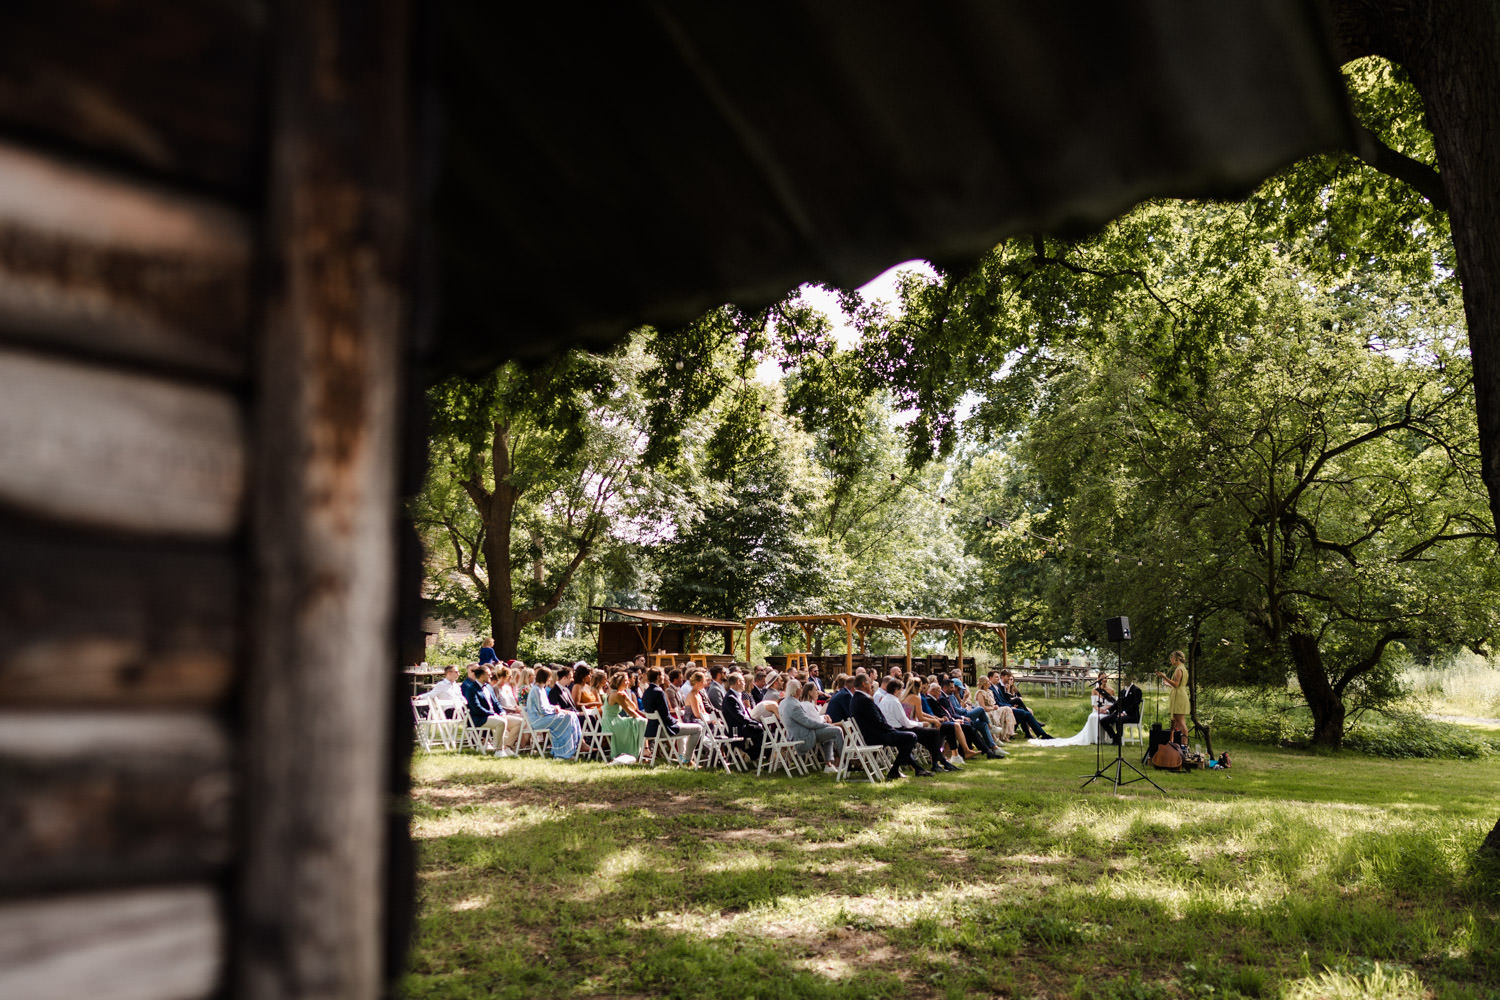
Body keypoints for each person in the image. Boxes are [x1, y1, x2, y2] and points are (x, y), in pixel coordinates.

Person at [849, 674, 929, 779]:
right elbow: (878, 721)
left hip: (873, 733)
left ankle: (915, 768)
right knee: (911, 737)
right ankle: (895, 770)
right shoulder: (864, 700)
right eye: (870, 683)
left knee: (904, 739)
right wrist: (891, 730)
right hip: (876, 736)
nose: (872, 686)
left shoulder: (857, 698)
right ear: (864, 684)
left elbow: (876, 720)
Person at [877, 678, 957, 772]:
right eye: (900, 689)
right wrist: (922, 724)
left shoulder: (886, 699)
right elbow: (906, 722)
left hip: (895, 728)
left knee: (930, 738)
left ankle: (939, 763)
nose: (901, 691)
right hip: (899, 729)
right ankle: (938, 763)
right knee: (934, 733)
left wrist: (931, 720)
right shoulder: (895, 701)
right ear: (895, 690)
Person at [640, 667, 703, 765]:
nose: (664, 677)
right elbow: (665, 715)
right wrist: (676, 722)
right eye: (662, 674)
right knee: (698, 728)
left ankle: (682, 756)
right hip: (664, 730)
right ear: (658, 677)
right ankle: (687, 759)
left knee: (683, 731)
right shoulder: (658, 691)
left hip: (653, 729)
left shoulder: (647, 691)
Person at [779, 681, 844, 774]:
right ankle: (844, 761)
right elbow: (808, 723)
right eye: (801, 688)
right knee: (837, 730)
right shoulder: (794, 705)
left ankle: (828, 765)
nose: (802, 690)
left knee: (830, 733)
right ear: (797, 690)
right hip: (804, 735)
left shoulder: (784, 702)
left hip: (796, 733)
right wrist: (826, 725)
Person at [524, 665, 581, 759]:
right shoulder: (536, 690)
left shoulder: (541, 689)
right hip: (537, 720)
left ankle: (571, 748)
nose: (551, 679)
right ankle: (563, 752)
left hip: (543, 717)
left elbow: (546, 706)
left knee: (572, 715)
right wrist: (555, 709)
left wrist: (554, 707)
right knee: (568, 718)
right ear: (545, 677)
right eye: (549, 677)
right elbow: (542, 709)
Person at [992, 670, 1054, 739]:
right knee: (1026, 713)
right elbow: (997, 702)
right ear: (990, 678)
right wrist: (1010, 706)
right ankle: (1041, 734)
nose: (998, 679)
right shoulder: (993, 688)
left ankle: (1040, 734)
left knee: (1024, 711)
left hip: (1007, 706)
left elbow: (1005, 699)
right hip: (1003, 709)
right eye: (996, 677)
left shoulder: (997, 687)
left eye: (998, 677)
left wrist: (1010, 703)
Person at [602, 670, 648, 762]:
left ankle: (640, 751)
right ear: (619, 682)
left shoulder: (619, 693)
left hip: (615, 719)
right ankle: (640, 752)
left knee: (639, 722)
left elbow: (634, 707)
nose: (628, 682)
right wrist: (642, 718)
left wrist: (626, 696)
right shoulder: (616, 694)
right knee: (642, 721)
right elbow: (630, 711)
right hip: (611, 722)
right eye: (625, 680)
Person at [719, 672, 765, 760]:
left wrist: (755, 722)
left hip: (743, 726)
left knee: (763, 728)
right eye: (743, 681)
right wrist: (755, 723)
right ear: (738, 682)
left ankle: (752, 754)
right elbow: (739, 717)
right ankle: (752, 755)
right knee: (760, 731)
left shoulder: (737, 696)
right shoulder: (730, 698)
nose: (745, 683)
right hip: (737, 729)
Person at [1100, 672, 1144, 745]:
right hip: (1119, 713)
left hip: (1132, 715)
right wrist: (1108, 711)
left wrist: (1124, 713)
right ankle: (1115, 737)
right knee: (1103, 721)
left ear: (1131, 680)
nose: (1124, 681)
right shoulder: (1122, 691)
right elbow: (1117, 703)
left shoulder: (1136, 690)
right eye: (1123, 680)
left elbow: (1135, 705)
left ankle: (1118, 739)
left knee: (1118, 719)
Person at [1156, 650, 1190, 742]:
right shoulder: (1182, 668)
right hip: (1179, 694)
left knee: (1181, 723)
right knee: (1175, 723)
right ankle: (1175, 743)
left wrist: (1164, 677)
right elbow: (1177, 685)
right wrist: (1168, 683)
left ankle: (1184, 746)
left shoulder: (1179, 669)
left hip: (1179, 697)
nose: (1171, 659)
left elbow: (1176, 684)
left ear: (1176, 659)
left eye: (1172, 657)